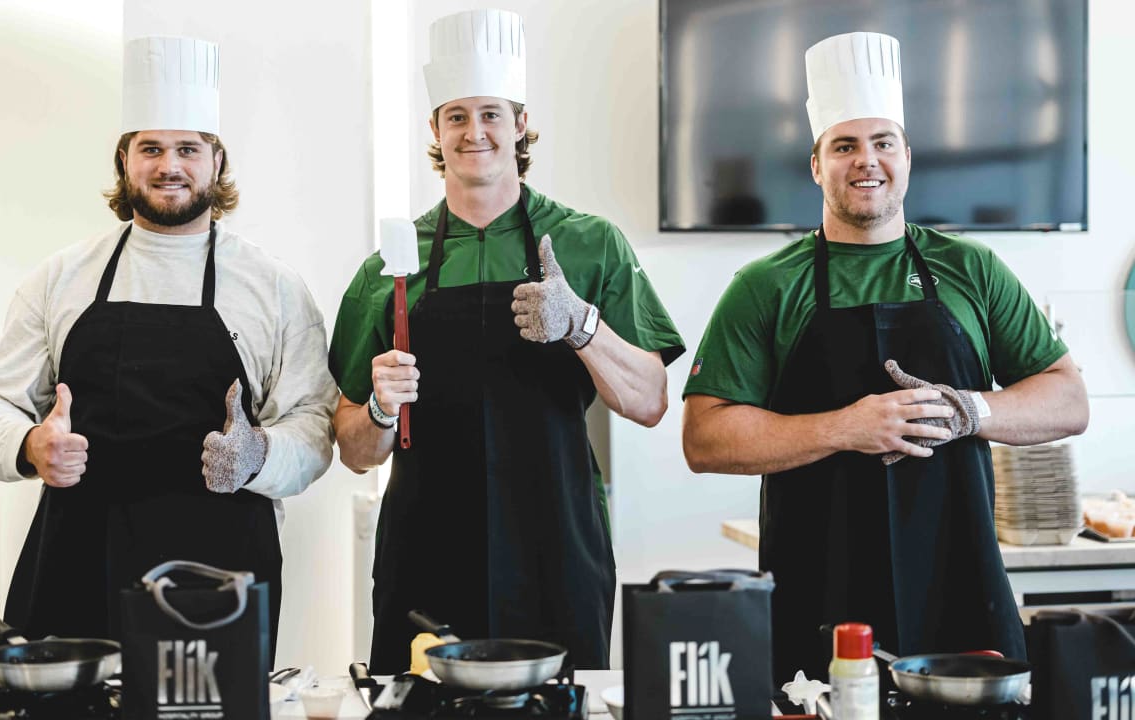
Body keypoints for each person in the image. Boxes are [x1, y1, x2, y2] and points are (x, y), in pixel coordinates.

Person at [681, 31, 1088, 685]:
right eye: (844, 145)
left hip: (960, 588)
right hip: (817, 596)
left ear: (906, 157)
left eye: (882, 142)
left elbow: (1069, 399)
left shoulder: (972, 269)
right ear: (816, 165)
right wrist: (846, 426)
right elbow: (705, 439)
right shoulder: (766, 285)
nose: (865, 161)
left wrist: (970, 410)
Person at [328, 9, 685, 673]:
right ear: (434, 130)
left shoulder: (589, 242)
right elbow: (352, 450)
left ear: (520, 124)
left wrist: (582, 325)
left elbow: (651, 400)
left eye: (490, 113)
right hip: (425, 551)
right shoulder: (387, 268)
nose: (474, 132)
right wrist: (378, 407)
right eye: (456, 116)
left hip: (557, 546)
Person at [0, 36, 336, 657]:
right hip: (76, 563)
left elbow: (315, 423)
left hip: (216, 578)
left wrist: (259, 453)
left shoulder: (273, 287)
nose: (170, 165)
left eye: (188, 148)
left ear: (216, 161)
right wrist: (31, 444)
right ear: (124, 160)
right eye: (151, 149)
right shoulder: (61, 278)